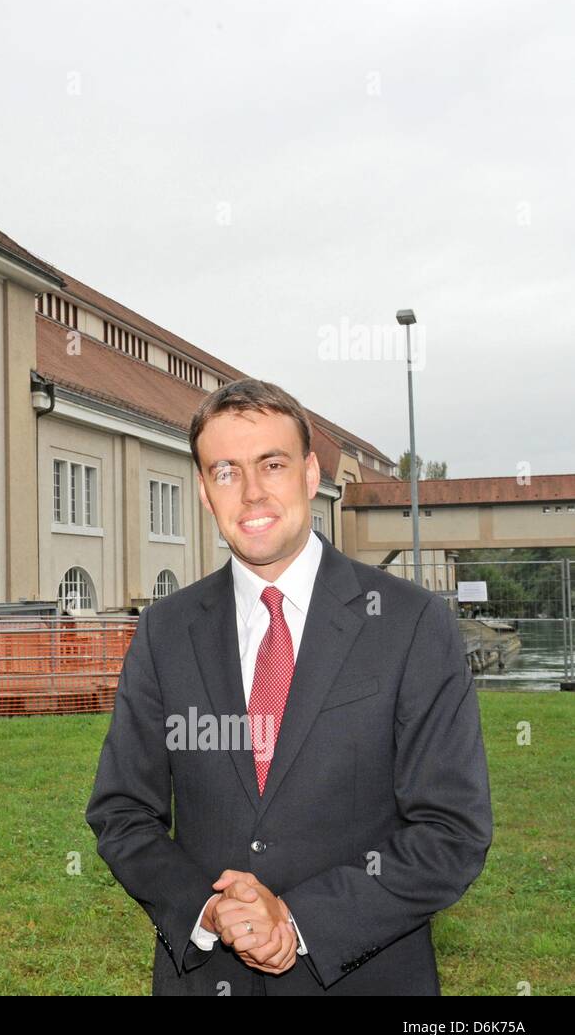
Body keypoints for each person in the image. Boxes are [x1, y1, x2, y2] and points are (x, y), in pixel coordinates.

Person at [85, 378, 492, 995]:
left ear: (309, 474)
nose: (251, 493)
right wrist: (207, 908)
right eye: (226, 472)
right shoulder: (166, 629)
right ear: (203, 490)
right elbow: (122, 812)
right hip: (206, 975)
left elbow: (451, 830)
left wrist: (299, 921)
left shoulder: (409, 622)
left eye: (271, 465)